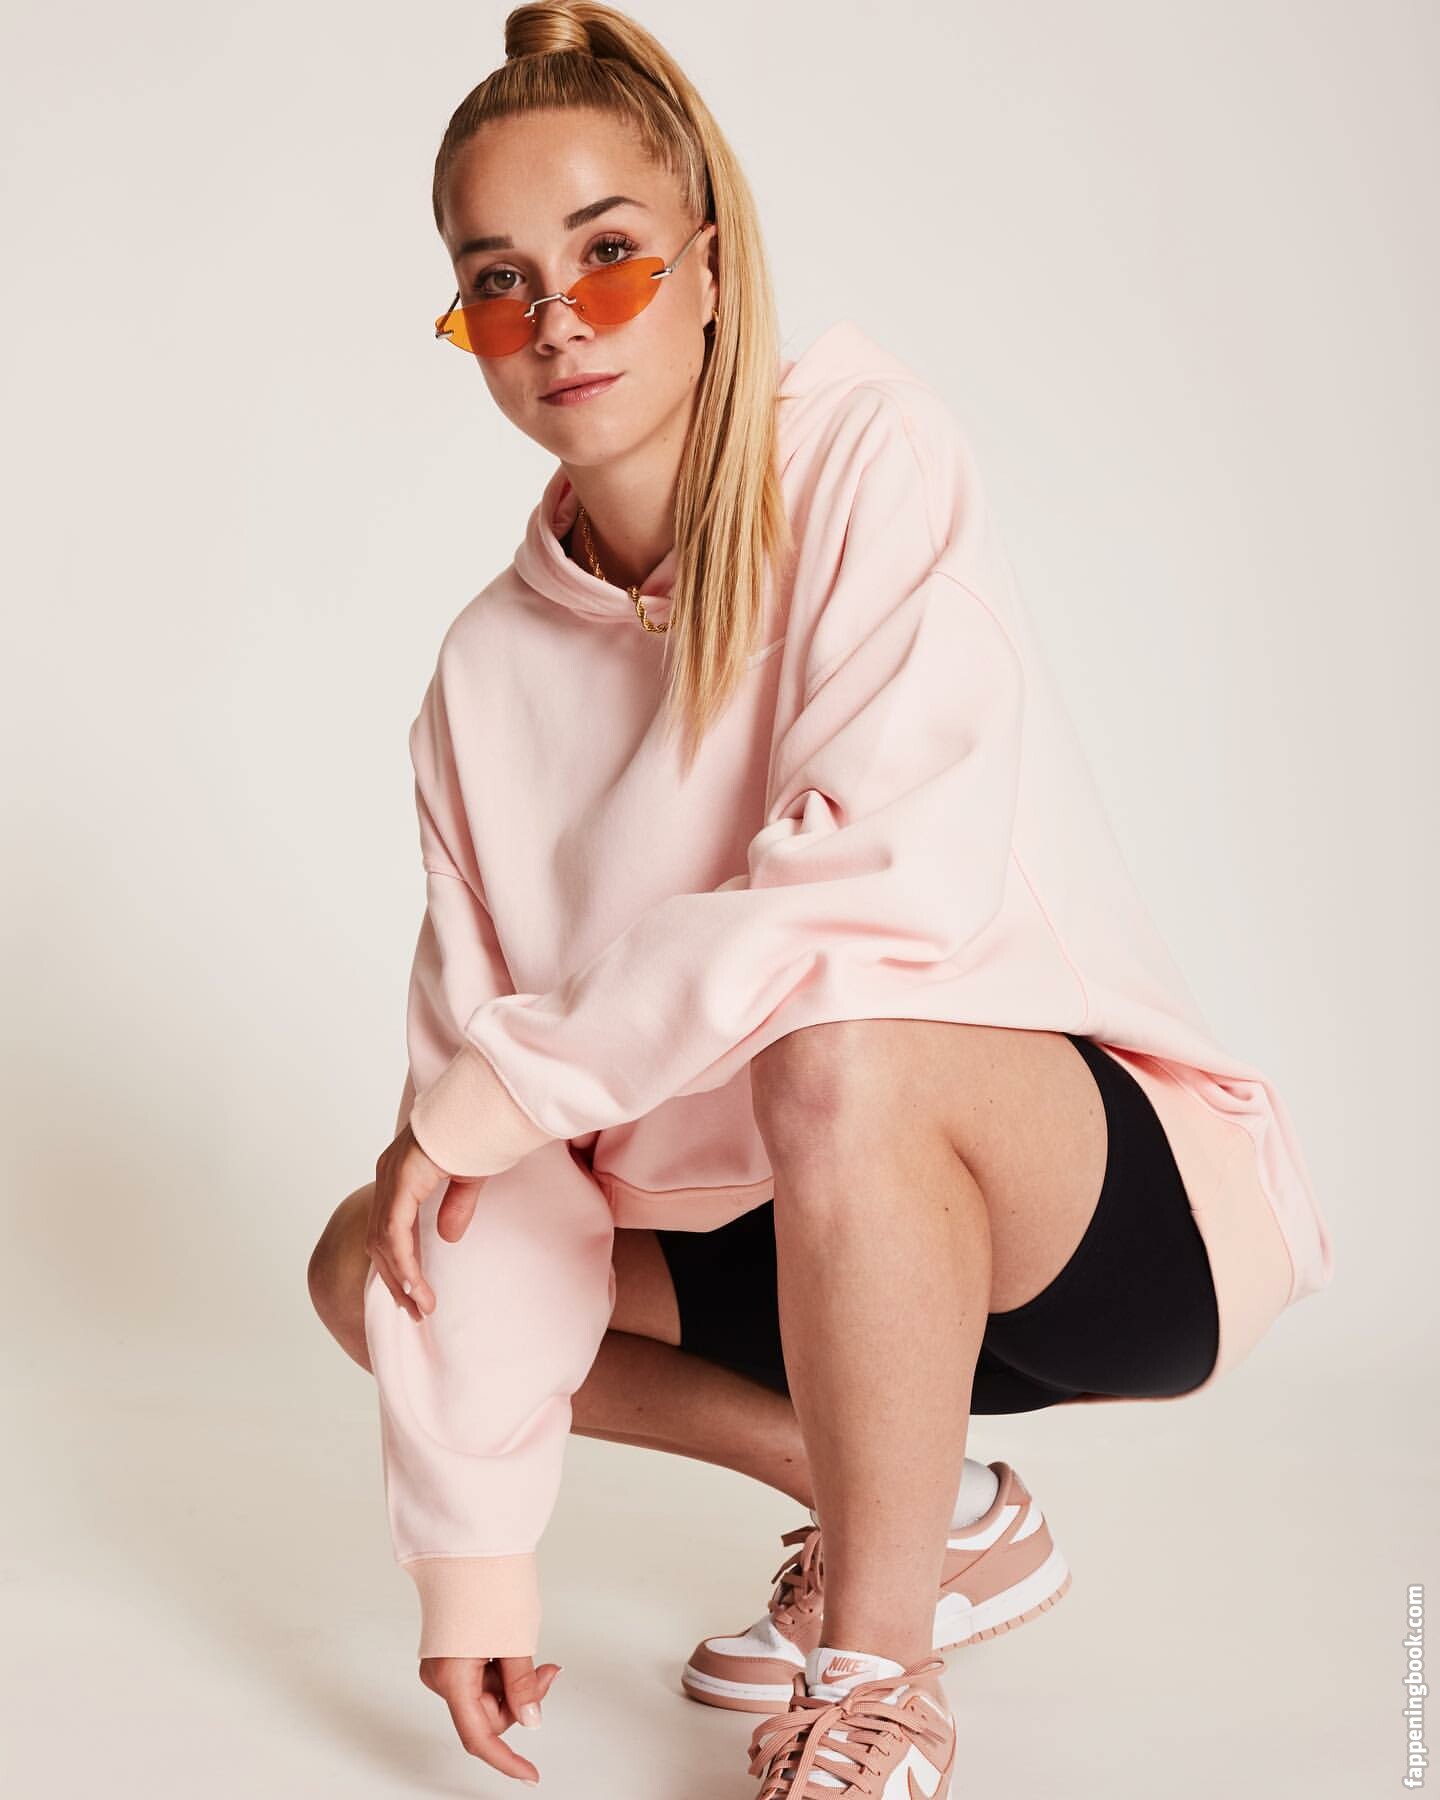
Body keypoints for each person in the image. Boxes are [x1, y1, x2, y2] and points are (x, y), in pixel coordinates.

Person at [306, 4, 1335, 1792]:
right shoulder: (482, 675)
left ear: (710, 266)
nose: (560, 321)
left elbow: (882, 889)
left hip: (1085, 1220)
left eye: (610, 256)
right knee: (384, 1247)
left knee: (839, 1037)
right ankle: (929, 1511)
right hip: (783, 1241)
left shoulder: (865, 454)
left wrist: (511, 1085)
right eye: (500, 283)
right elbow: (489, 1150)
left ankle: (877, 1679)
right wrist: (474, 1562)